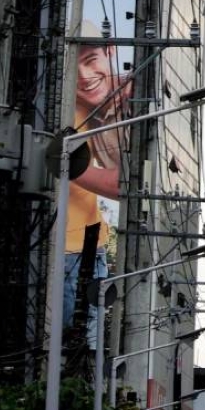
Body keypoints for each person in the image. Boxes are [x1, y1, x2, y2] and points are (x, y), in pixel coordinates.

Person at [63, 26, 132, 330]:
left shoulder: (121, 104)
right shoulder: (64, 110)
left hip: (86, 253)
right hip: (54, 252)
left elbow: (127, 183)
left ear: (110, 52)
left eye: (91, 59)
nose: (84, 75)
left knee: (82, 358)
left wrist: (68, 166)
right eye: (72, 66)